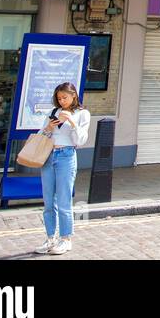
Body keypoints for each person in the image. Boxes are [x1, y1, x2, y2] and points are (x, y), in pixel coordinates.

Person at [34, 82, 90, 256]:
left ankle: (65, 239)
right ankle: (50, 238)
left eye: (65, 97)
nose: (62, 101)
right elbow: (41, 136)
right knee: (48, 201)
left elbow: (80, 141)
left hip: (66, 156)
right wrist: (48, 128)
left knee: (64, 200)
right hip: (49, 156)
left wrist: (72, 122)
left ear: (73, 96)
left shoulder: (82, 114)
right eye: (59, 98)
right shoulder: (53, 112)